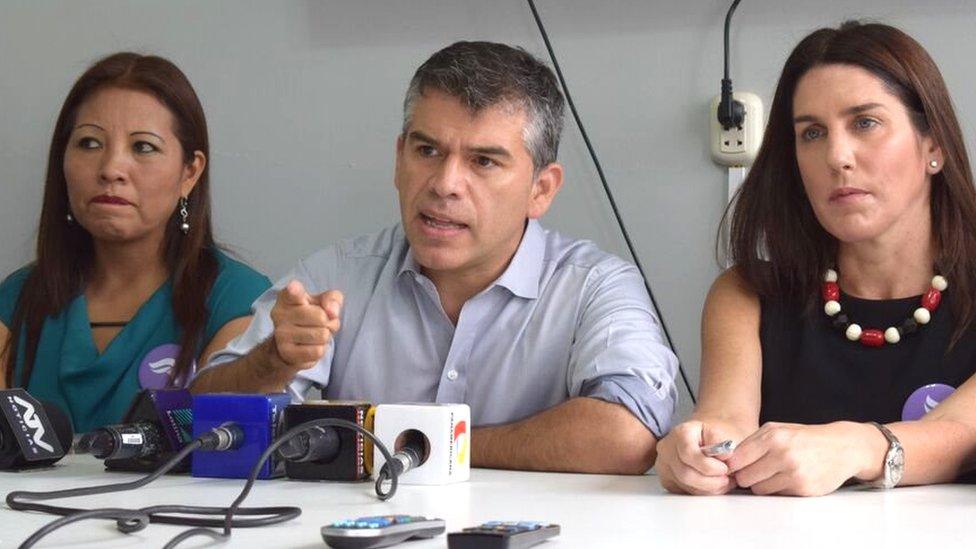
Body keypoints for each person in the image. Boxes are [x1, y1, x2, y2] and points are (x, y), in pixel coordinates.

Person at [192, 41, 679, 474]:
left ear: (541, 189)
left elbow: (625, 436)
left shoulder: (595, 285)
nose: (445, 184)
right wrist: (270, 363)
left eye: (484, 161)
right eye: (427, 150)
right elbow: (197, 424)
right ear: (399, 159)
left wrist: (431, 448)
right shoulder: (334, 275)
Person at [657, 21, 976, 496]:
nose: (837, 156)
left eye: (865, 123)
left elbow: (958, 434)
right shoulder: (745, 294)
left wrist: (854, 446)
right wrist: (696, 453)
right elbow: (724, 423)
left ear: (934, 146)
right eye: (812, 133)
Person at [0, 53, 271, 433]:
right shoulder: (17, 299)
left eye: (143, 147)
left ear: (189, 172)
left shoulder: (236, 298)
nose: (111, 169)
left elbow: (221, 438)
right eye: (89, 143)